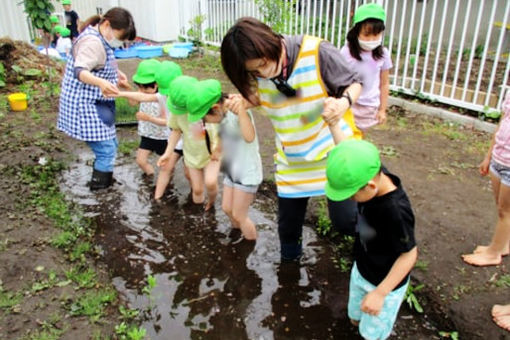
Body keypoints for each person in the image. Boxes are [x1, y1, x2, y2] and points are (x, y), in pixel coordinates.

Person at [220, 17, 362, 261]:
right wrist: (244, 101)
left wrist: (343, 103)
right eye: (254, 71)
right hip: (293, 159)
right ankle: (289, 271)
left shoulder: (316, 51)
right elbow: (266, 97)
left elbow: (354, 84)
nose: (263, 73)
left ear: (271, 43)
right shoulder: (257, 74)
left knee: (346, 221)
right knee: (287, 229)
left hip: (331, 151)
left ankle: (373, 255)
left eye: (264, 64)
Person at [325, 139, 417, 340]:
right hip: (362, 269)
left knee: (370, 335)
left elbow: (409, 255)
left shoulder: (395, 212)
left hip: (383, 283)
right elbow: (350, 153)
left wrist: (380, 294)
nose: (349, 200)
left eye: (351, 195)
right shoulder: (371, 171)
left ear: (370, 186)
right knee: (354, 318)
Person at [57, 7, 136, 190]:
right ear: (107, 25)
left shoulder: (100, 37)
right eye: (120, 37)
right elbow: (80, 71)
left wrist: (117, 74)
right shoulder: (92, 42)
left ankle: (104, 178)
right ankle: (100, 190)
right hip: (85, 104)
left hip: (98, 103)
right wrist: (101, 83)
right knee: (106, 150)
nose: (120, 42)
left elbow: (100, 64)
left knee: (111, 144)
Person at [187, 79, 262, 240]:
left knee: (239, 214)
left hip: (247, 173)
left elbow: (249, 137)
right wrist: (217, 150)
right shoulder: (223, 115)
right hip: (232, 170)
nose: (205, 123)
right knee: (227, 208)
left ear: (215, 108)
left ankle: (249, 244)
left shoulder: (238, 113)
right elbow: (223, 133)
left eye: (205, 119)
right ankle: (236, 233)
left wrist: (242, 112)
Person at [114, 60, 185, 199]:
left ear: (157, 84)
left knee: (166, 165)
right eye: (139, 88)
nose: (142, 92)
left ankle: (166, 183)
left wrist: (149, 118)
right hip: (147, 134)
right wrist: (126, 89)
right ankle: (152, 178)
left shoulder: (164, 98)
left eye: (145, 88)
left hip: (163, 137)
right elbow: (134, 101)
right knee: (141, 161)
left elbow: (169, 123)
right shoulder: (147, 92)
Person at [158, 76, 221, 211]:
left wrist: (218, 149)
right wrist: (167, 153)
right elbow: (176, 131)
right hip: (191, 155)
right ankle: (198, 215)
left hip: (212, 154)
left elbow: (223, 129)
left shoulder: (206, 108)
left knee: (210, 182)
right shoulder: (177, 113)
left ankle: (211, 203)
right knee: (197, 189)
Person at [462, 92, 510, 266]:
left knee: (506, 211)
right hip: (499, 159)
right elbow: (503, 123)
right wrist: (489, 156)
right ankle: (503, 244)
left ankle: (493, 253)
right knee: (502, 207)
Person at [340, 3, 392, 131]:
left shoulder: (383, 54)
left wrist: (382, 110)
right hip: (349, 104)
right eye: (366, 35)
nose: (371, 40)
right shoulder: (346, 52)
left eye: (376, 35)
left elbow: (384, 83)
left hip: (369, 108)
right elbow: (338, 79)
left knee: (361, 141)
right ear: (356, 31)